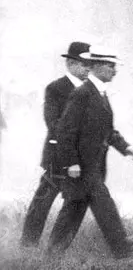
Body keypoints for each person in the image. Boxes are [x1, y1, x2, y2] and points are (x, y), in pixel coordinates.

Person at [47, 47, 133, 256]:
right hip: (82, 166)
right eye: (110, 66)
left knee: (74, 209)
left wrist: (125, 148)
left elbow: (107, 130)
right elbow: (65, 130)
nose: (114, 71)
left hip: (92, 166)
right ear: (97, 66)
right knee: (102, 204)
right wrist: (71, 162)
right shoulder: (82, 93)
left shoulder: (99, 94)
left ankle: (52, 254)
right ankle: (122, 249)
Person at [20, 41, 92, 247]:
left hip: (81, 159)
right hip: (56, 156)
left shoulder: (90, 90)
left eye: (90, 64)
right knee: (43, 201)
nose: (88, 68)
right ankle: (27, 243)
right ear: (69, 63)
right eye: (83, 64)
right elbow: (53, 123)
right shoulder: (55, 88)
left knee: (76, 202)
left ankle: (57, 247)